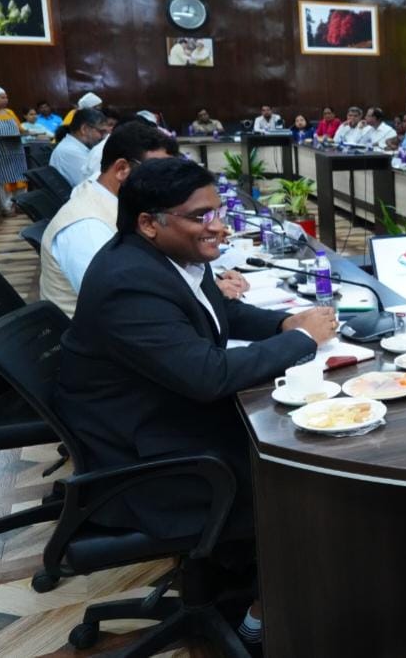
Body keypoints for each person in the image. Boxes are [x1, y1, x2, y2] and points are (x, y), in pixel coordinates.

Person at [55, 157, 337, 649]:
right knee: (304, 477)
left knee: (290, 432)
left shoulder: (169, 257)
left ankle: (244, 570)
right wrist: (301, 342)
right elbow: (208, 376)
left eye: (218, 211)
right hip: (146, 460)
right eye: (201, 216)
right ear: (149, 222)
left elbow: (219, 311)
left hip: (164, 419)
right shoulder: (128, 283)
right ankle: (262, 618)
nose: (219, 226)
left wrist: (282, 324)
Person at [41, 122, 176, 316]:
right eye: (158, 174)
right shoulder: (87, 228)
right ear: (122, 169)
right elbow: (125, 303)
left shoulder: (120, 201)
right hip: (100, 331)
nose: (166, 185)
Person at [50, 107, 108, 187]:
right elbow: (96, 185)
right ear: (84, 129)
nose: (103, 137)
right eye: (101, 132)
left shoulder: (76, 147)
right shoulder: (70, 151)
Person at [0, 85, 27, 215]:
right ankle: (7, 207)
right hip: (0, 154)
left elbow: (21, 130)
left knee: (20, 177)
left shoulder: (10, 112)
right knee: (4, 180)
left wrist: (28, 132)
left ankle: (21, 204)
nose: (6, 100)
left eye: (6, 97)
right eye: (2, 97)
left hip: (16, 152)